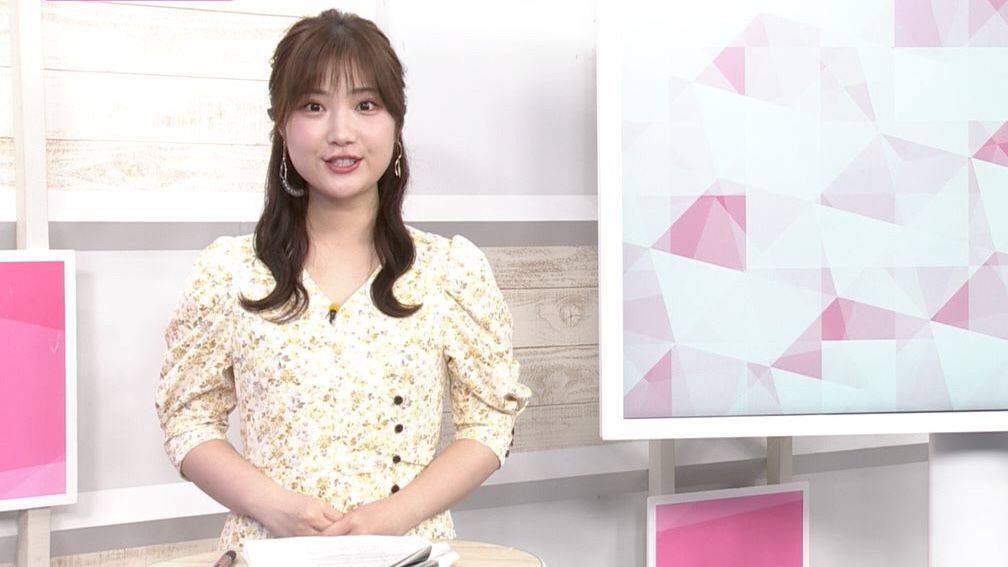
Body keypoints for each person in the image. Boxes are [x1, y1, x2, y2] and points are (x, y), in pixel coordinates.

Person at [155, 9, 530, 551]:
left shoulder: (449, 270)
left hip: (405, 553)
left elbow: (490, 423)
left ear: (396, 123)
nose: (341, 133)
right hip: (268, 553)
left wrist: (393, 515)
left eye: (365, 105)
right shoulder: (228, 272)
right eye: (313, 106)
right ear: (282, 125)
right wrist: (274, 506)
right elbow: (188, 418)